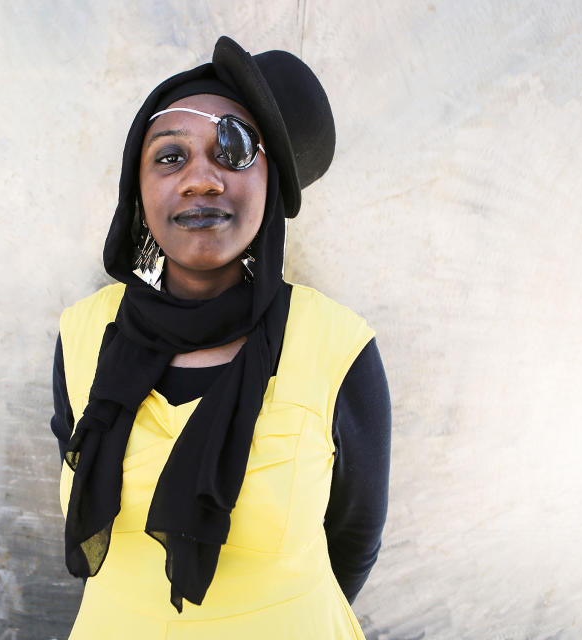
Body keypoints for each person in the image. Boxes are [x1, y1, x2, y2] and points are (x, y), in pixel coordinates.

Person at [49, 35, 391, 639]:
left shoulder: (338, 348)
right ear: (138, 186)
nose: (200, 180)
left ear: (270, 182)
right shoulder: (81, 336)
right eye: (170, 156)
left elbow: (354, 537)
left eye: (230, 151)